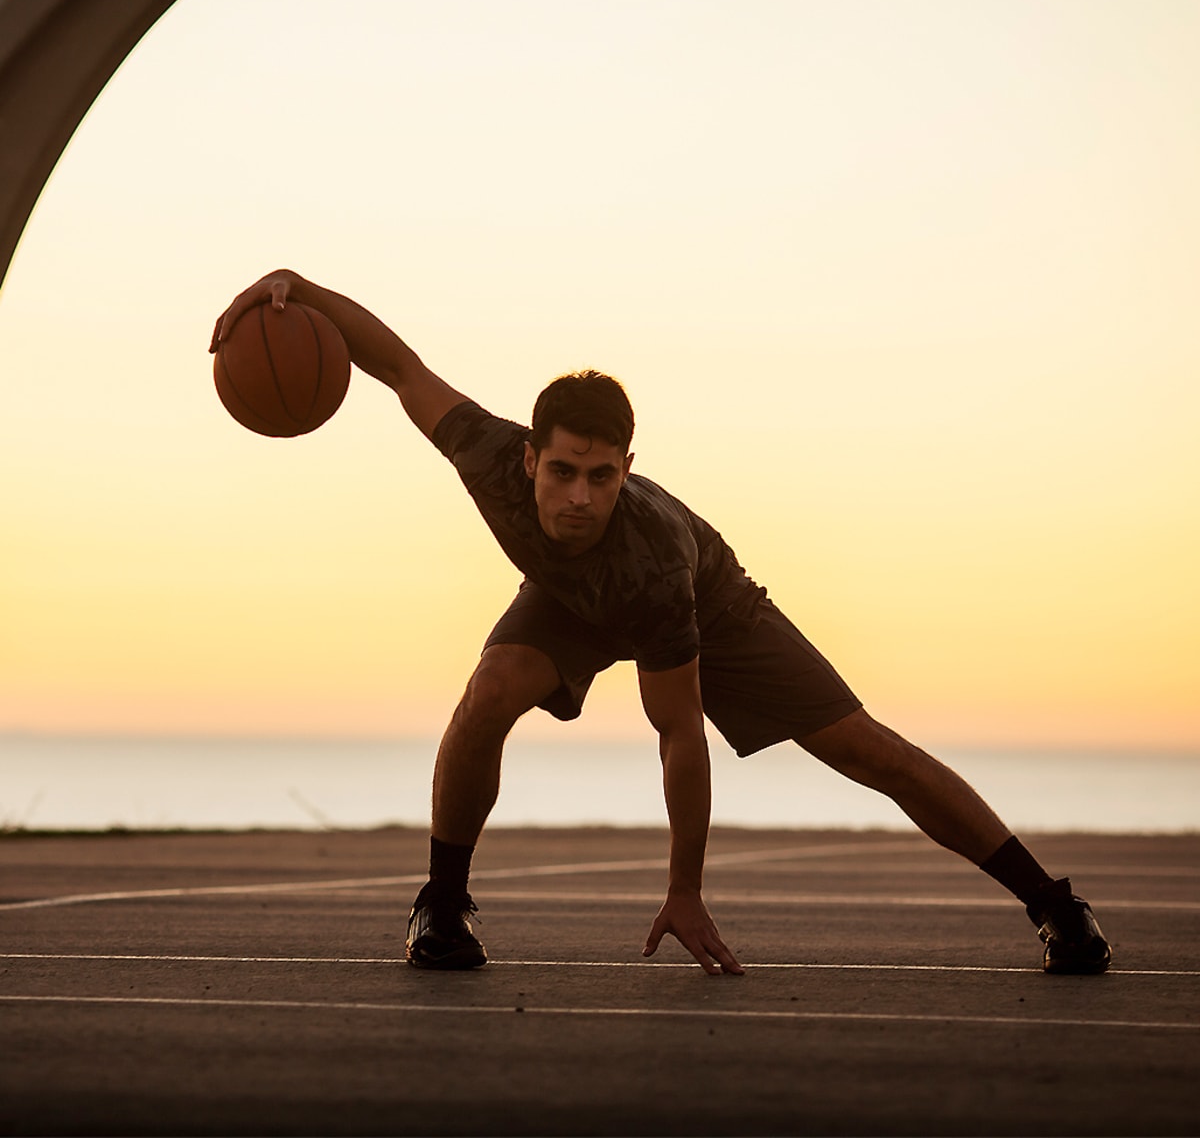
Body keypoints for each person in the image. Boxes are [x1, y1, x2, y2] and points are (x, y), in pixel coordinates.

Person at [212, 271, 1113, 978]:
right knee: (487, 692)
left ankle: (1054, 906)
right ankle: (443, 907)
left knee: (869, 753)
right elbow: (399, 366)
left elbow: (680, 734)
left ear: (626, 467)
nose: (578, 496)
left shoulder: (658, 561)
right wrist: (300, 286)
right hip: (566, 600)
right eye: (563, 471)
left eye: (601, 477)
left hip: (707, 609)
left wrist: (684, 889)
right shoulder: (485, 450)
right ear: (530, 456)